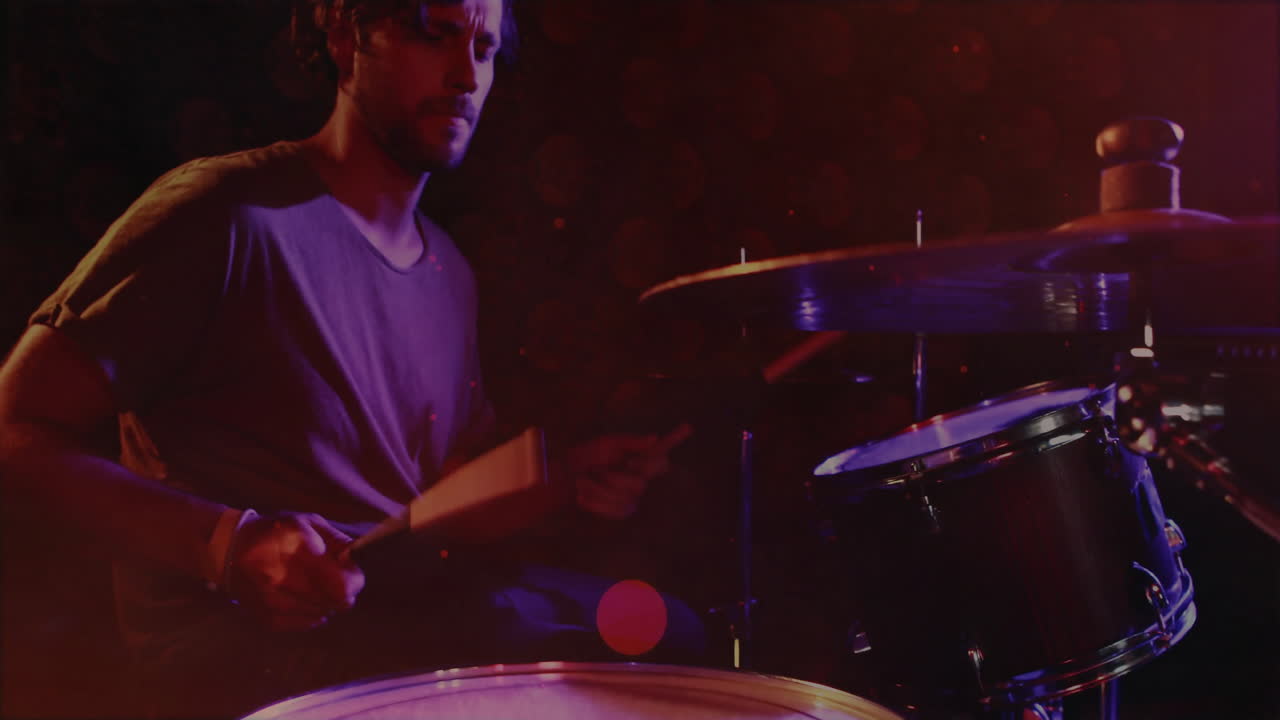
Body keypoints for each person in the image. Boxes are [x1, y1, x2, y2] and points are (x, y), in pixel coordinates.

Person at [0, 0, 703, 717]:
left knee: (670, 629)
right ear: (343, 33)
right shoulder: (225, 214)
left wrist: (565, 482)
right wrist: (227, 545)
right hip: (242, 651)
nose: (466, 74)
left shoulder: (449, 272)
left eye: (486, 49)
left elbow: (437, 498)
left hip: (401, 614)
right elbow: (13, 429)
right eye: (435, 34)